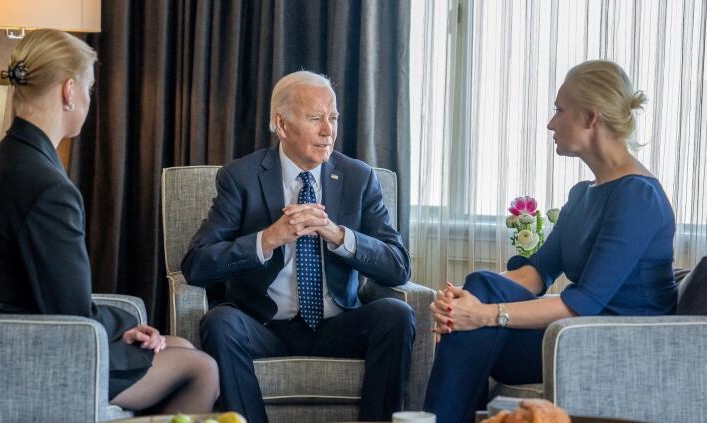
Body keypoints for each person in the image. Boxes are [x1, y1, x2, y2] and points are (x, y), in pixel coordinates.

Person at [0, 29, 219, 414]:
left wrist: (122, 324)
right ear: (68, 90)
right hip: (30, 351)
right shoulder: (48, 187)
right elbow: (74, 314)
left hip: (2, 334)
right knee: (201, 369)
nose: (90, 100)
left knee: (181, 347)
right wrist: (126, 319)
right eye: (90, 90)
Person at [423, 60, 677, 423]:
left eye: (560, 110)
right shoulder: (584, 195)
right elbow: (535, 274)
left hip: (620, 345)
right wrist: (465, 300)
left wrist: (482, 312)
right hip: (575, 336)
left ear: (591, 118)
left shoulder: (638, 197)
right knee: (479, 287)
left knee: (477, 318)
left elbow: (584, 303)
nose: (550, 123)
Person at [182, 70, 415, 422]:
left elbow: (398, 264)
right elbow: (196, 263)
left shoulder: (358, 177)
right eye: (314, 118)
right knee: (220, 322)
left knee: (397, 314)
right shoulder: (240, 178)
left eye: (332, 118)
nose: (328, 130)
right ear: (281, 123)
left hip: (339, 325)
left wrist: (339, 237)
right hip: (265, 325)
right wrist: (270, 238)